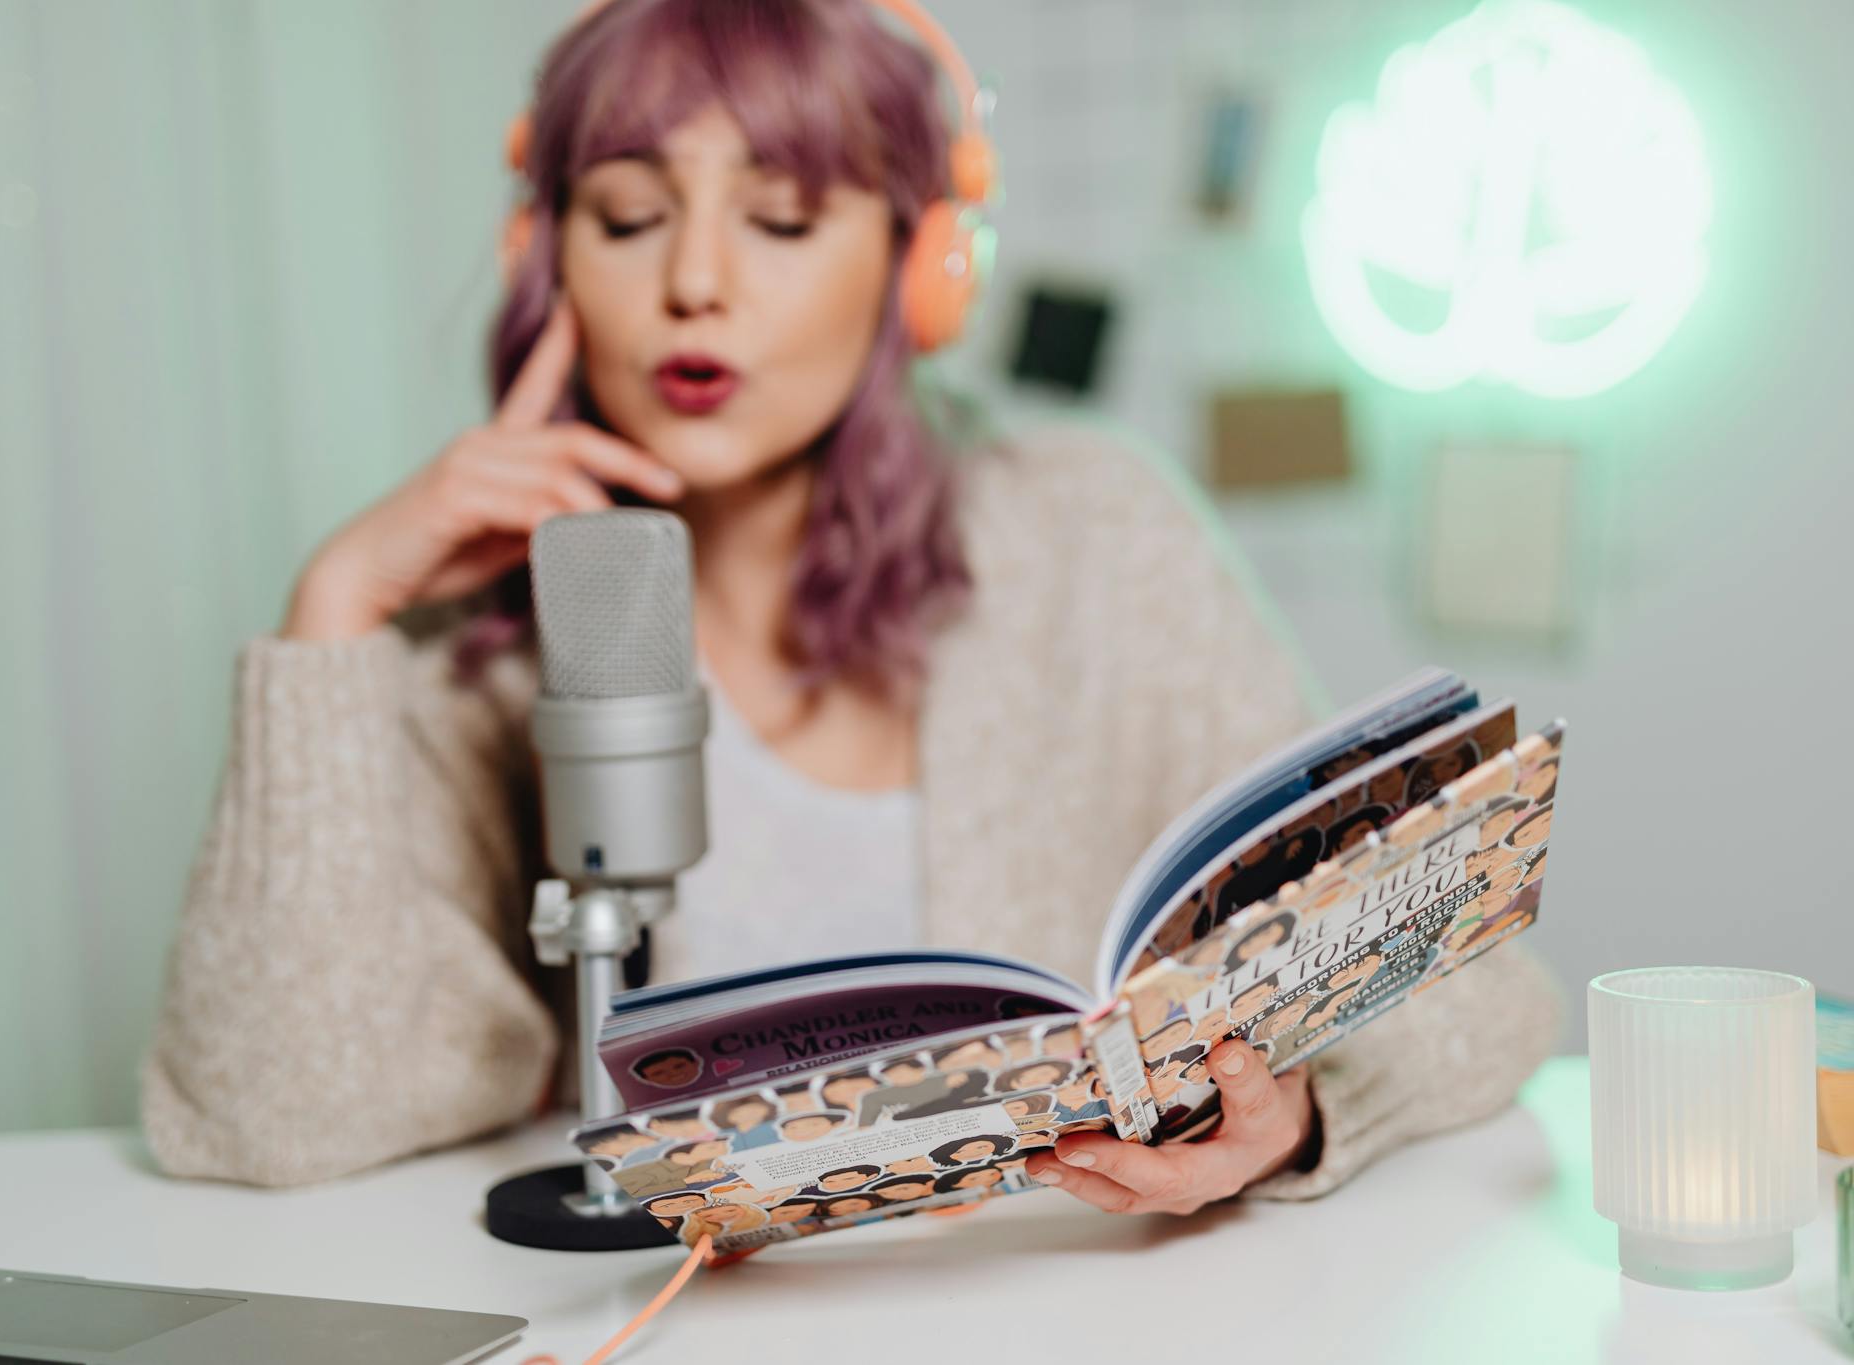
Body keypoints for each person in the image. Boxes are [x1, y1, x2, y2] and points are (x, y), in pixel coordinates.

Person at [140, 0, 1560, 1225]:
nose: (693, 281)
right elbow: (277, 1108)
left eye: (782, 216)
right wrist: (332, 614)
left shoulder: (1092, 536)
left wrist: (1294, 1118)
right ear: (548, 254)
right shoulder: (494, 651)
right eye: (629, 217)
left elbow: (1477, 995)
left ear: (920, 268)